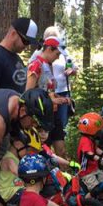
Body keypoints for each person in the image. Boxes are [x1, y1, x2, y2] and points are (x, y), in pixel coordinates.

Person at [30, 26, 78, 156]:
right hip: (41, 114)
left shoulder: (49, 65)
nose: (58, 58)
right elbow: (28, 95)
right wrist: (51, 100)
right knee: (42, 151)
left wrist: (60, 98)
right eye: (57, 54)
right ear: (49, 49)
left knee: (61, 147)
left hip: (53, 111)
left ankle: (63, 174)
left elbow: (48, 90)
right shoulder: (36, 64)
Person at [0, 17, 40, 93]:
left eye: (29, 43)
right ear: (13, 34)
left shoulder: (16, 57)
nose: (27, 46)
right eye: (25, 41)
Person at [75, 111, 103, 194]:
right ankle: (88, 201)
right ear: (92, 130)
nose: (100, 132)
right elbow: (88, 154)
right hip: (86, 171)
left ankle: (101, 199)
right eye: (99, 130)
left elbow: (96, 150)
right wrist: (100, 159)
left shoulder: (91, 140)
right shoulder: (85, 140)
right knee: (95, 190)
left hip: (94, 168)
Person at [0, 132, 29, 206]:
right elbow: (19, 173)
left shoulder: (16, 158)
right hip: (9, 192)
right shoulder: (9, 159)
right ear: (18, 144)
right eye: (26, 148)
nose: (27, 152)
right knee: (33, 197)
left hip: (17, 190)